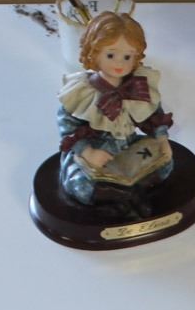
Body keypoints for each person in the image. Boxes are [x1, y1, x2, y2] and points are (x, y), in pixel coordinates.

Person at [57, 12, 174, 206]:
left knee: (164, 165)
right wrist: (88, 152)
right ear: (94, 53)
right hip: (97, 149)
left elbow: (155, 115)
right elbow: (68, 125)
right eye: (111, 55)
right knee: (81, 186)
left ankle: (130, 193)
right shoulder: (83, 91)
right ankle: (119, 197)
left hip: (130, 147)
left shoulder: (138, 86)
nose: (120, 63)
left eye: (127, 56)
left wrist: (162, 140)